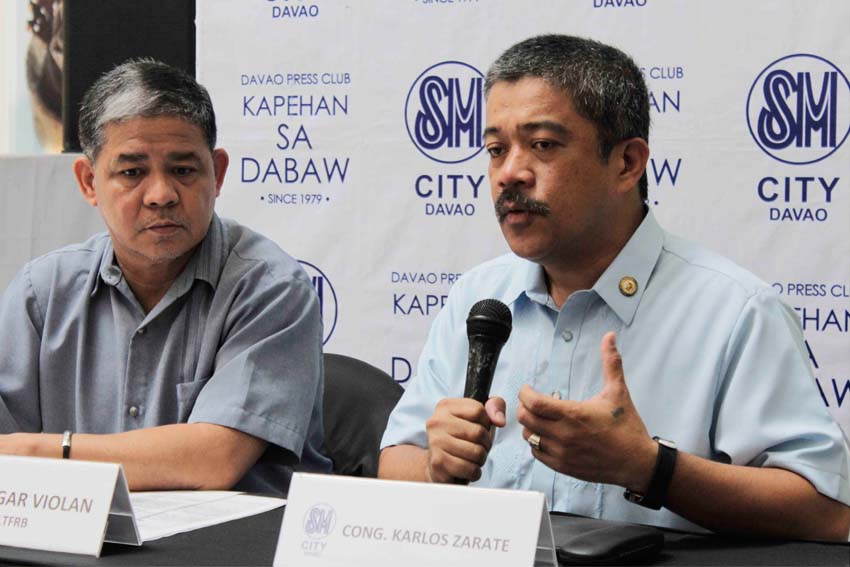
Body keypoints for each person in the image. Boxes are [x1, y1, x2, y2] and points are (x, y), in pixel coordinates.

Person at [378, 35, 850, 540]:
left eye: (542, 145)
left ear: (627, 163)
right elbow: (397, 461)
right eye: (496, 150)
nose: (508, 173)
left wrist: (649, 468)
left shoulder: (736, 311)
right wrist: (436, 468)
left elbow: (825, 511)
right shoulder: (478, 297)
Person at [0, 59, 331, 496]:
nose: (161, 195)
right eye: (132, 172)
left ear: (218, 175)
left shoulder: (271, 288)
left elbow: (213, 461)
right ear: (88, 182)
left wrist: (43, 454)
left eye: (183, 170)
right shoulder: (41, 292)